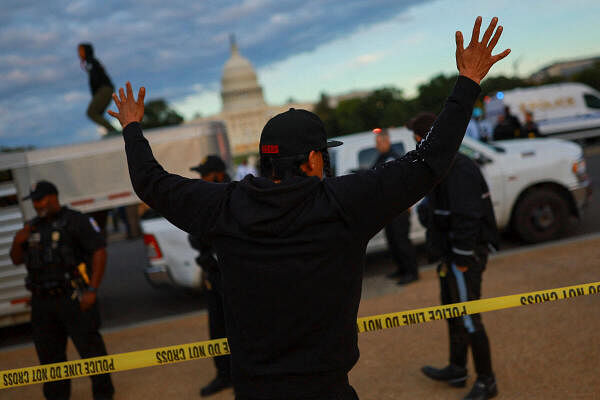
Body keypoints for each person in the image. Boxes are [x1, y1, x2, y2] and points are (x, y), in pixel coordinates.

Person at [109, 16, 509, 399]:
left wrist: (131, 128)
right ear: (313, 160)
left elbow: (151, 182)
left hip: (255, 389)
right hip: (325, 388)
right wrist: (467, 82)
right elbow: (429, 162)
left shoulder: (224, 207)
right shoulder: (345, 204)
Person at [412, 112, 500, 400]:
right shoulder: (440, 167)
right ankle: (458, 368)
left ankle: (487, 381)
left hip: (463, 257)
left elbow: (467, 218)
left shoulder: (459, 168)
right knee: (452, 313)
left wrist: (462, 257)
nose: (416, 146)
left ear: (429, 138)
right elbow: (433, 213)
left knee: (469, 317)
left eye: (417, 140)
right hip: (448, 255)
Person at [9, 181, 114, 400]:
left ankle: (104, 395)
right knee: (50, 360)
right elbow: (17, 260)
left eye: (40, 199)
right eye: (34, 201)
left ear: (53, 196)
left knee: (92, 352)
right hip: (42, 304)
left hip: (74, 298)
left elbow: (99, 252)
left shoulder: (76, 221)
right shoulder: (32, 227)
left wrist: (93, 290)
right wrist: (18, 242)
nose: (37, 205)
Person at [188, 155, 233, 396]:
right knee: (217, 329)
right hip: (213, 274)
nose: (201, 178)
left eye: (204, 173)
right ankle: (224, 375)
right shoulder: (206, 197)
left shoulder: (235, 193)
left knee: (242, 325)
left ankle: (245, 372)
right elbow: (195, 235)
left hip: (235, 274)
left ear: (217, 174)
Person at [371, 129, 418, 284]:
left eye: (379, 142)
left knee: (401, 241)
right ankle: (402, 269)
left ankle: (412, 272)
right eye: (376, 143)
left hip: (399, 208)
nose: (377, 146)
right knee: (393, 241)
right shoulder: (382, 157)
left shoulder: (392, 157)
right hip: (390, 208)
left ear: (387, 141)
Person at [78, 43, 116, 134]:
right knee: (97, 113)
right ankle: (111, 131)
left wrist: (95, 93)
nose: (79, 54)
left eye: (81, 51)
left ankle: (113, 131)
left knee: (91, 112)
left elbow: (96, 78)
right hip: (106, 88)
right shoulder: (91, 62)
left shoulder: (90, 62)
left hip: (104, 89)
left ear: (86, 51)